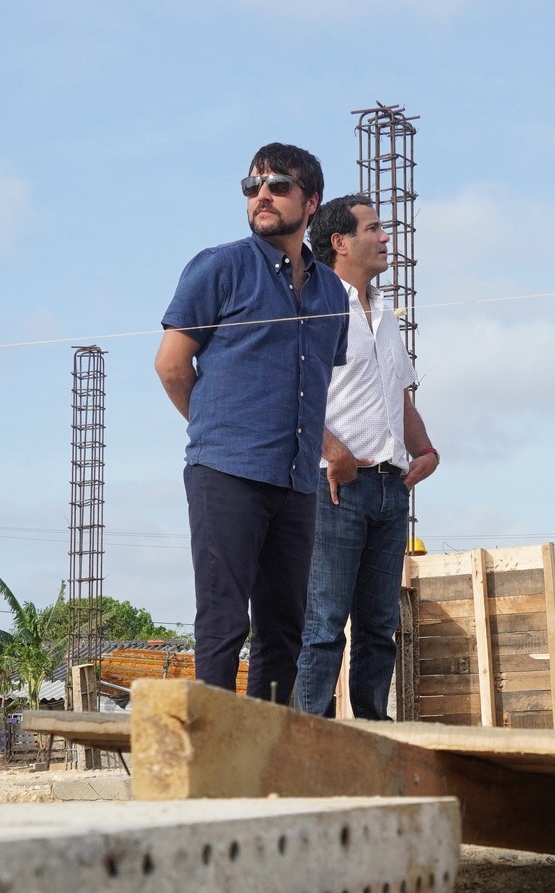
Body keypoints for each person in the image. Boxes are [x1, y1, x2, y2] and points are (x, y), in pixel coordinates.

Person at [155, 143, 350, 703]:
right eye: (253, 186)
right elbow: (171, 365)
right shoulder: (219, 266)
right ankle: (212, 754)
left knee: (285, 625)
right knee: (223, 618)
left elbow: (312, 384)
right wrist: (219, 432)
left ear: (310, 202)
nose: (262, 195)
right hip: (226, 471)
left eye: (279, 185)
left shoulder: (331, 291)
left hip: (295, 481)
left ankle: (265, 749)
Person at [293, 195, 441, 718]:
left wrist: (424, 449)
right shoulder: (312, 303)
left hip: (390, 488)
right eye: (374, 228)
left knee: (380, 625)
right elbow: (293, 392)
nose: (386, 238)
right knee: (326, 623)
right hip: (335, 487)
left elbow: (399, 397)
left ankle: (373, 733)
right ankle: (310, 737)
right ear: (340, 242)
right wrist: (333, 451)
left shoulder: (387, 314)